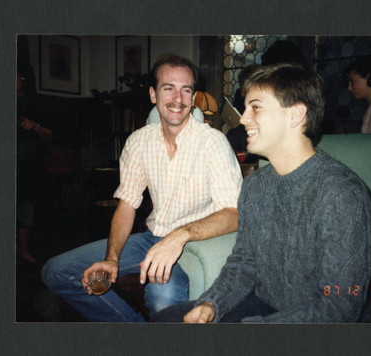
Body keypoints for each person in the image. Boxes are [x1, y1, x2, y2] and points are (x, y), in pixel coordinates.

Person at [151, 63, 371, 324]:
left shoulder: (342, 194)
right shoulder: (255, 186)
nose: (244, 118)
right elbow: (243, 263)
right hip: (265, 307)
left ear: (295, 115)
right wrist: (212, 303)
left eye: (255, 107)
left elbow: (340, 306)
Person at [41, 53, 243, 322]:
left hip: (196, 242)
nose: (177, 99)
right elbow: (127, 206)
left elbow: (234, 213)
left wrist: (180, 235)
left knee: (163, 298)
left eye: (186, 90)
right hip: (152, 237)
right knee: (56, 271)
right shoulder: (138, 142)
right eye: (168, 88)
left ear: (193, 98)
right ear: (153, 94)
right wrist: (112, 258)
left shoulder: (213, 143)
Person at [17, 67, 54, 263]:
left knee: (26, 208)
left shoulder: (36, 104)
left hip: (28, 166)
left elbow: (50, 135)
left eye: (17, 76)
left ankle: (24, 250)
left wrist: (35, 126)